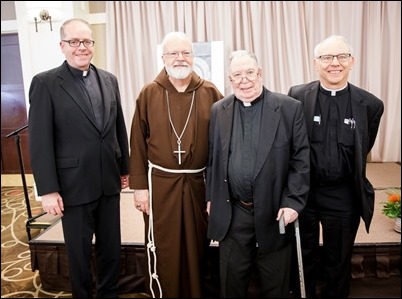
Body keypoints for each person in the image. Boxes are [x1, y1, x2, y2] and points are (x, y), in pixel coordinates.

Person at [28, 18, 130, 298]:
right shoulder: (45, 83)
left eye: (87, 41)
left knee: (111, 249)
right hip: (73, 186)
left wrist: (124, 168)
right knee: (79, 254)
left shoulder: (109, 79)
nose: (81, 47)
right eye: (74, 42)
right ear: (62, 46)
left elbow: (118, 127)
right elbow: (39, 142)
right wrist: (48, 190)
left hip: (109, 181)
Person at [206, 50, 310, 298]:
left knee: (276, 284)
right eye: (237, 75)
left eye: (250, 72)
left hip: (275, 212)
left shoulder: (288, 108)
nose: (244, 80)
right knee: (231, 282)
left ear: (260, 73)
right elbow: (213, 159)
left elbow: (301, 160)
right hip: (234, 210)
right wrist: (212, 197)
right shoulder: (218, 110)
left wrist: (293, 202)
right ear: (230, 81)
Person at [287, 35, 384, 298]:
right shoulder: (296, 97)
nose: (334, 63)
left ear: (351, 61)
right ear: (315, 63)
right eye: (327, 57)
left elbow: (364, 146)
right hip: (304, 193)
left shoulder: (371, 105)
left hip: (343, 195)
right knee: (301, 258)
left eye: (341, 56)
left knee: (338, 262)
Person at [128, 31, 224, 298]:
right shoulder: (149, 93)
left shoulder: (210, 91)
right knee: (165, 245)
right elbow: (136, 141)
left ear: (193, 57)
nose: (180, 58)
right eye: (173, 53)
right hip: (160, 184)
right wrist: (139, 188)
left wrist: (219, 190)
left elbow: (222, 144)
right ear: (163, 57)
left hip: (198, 183)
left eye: (185, 53)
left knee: (197, 244)